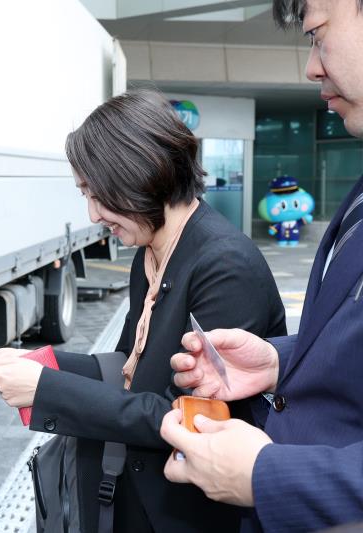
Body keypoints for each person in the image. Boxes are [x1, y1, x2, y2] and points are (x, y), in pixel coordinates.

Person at [0, 89, 287, 532]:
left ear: (140, 175)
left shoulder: (225, 265)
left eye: (98, 194)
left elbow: (181, 414)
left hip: (187, 513)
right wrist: (36, 362)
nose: (93, 214)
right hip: (136, 495)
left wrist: (45, 388)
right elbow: (126, 366)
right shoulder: (152, 250)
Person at [160, 1, 363, 531]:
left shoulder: (221, 259)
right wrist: (278, 361)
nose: (311, 66)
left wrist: (266, 474)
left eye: (317, 35)